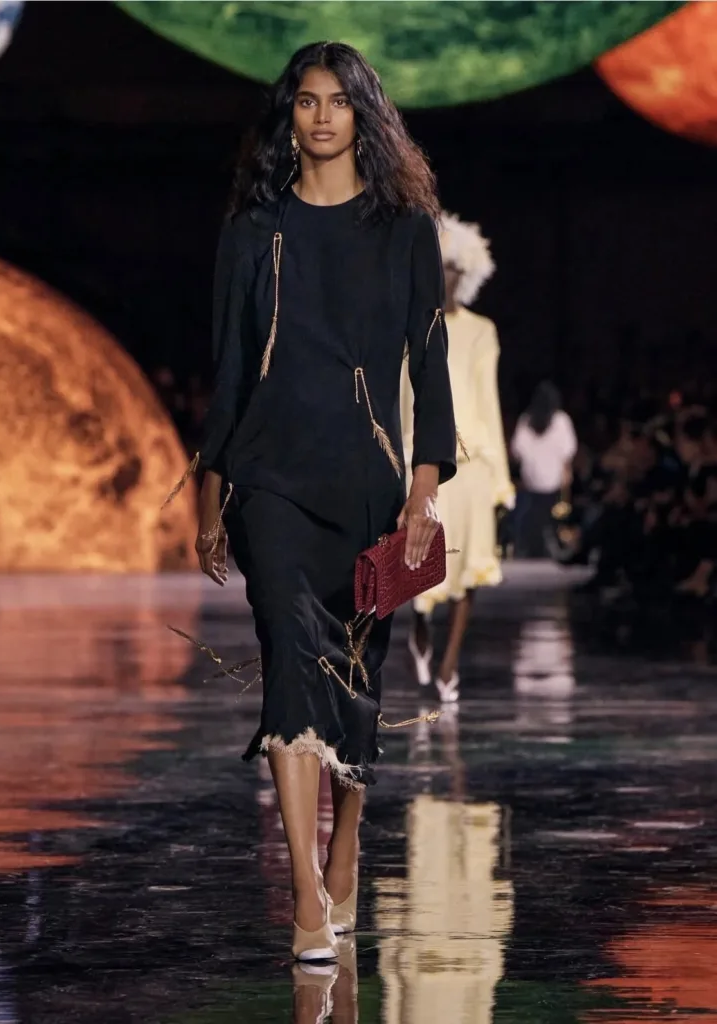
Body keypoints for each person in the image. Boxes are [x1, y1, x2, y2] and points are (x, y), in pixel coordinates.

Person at [187, 42, 457, 961]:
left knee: (354, 676)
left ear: (364, 115)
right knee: (290, 666)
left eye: (339, 101)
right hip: (269, 480)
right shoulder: (251, 231)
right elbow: (229, 370)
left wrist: (424, 486)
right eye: (305, 101)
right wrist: (211, 491)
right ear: (288, 116)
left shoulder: (405, 230)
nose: (322, 117)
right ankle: (306, 891)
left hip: (369, 483)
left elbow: (430, 362)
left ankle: (346, 845)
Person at [401, 214, 514, 703]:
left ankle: (449, 664)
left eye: (454, 267)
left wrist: (501, 480)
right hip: (426, 462)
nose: (447, 275)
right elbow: (402, 397)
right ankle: (421, 625)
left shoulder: (481, 331)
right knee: (421, 566)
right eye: (441, 265)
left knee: (469, 570)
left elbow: (489, 401)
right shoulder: (412, 327)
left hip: (473, 464)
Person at [511, 382, 577, 559]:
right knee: (552, 517)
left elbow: (517, 451)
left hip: (531, 484)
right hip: (554, 485)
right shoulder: (562, 420)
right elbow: (568, 453)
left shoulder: (526, 420)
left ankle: (529, 547)